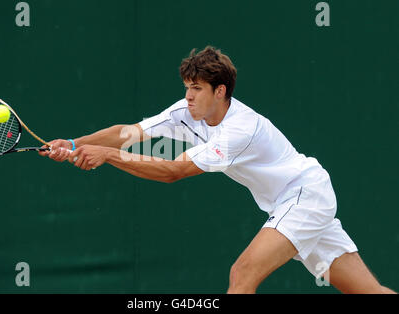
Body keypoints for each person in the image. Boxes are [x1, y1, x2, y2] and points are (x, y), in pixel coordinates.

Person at [40, 46, 395, 294]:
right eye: (187, 88)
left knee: (242, 274)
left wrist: (108, 156)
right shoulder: (186, 111)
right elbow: (128, 133)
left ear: (220, 91)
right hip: (294, 201)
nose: (188, 96)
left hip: (304, 197)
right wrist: (72, 145)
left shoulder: (240, 129)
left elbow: (173, 171)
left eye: (196, 89)